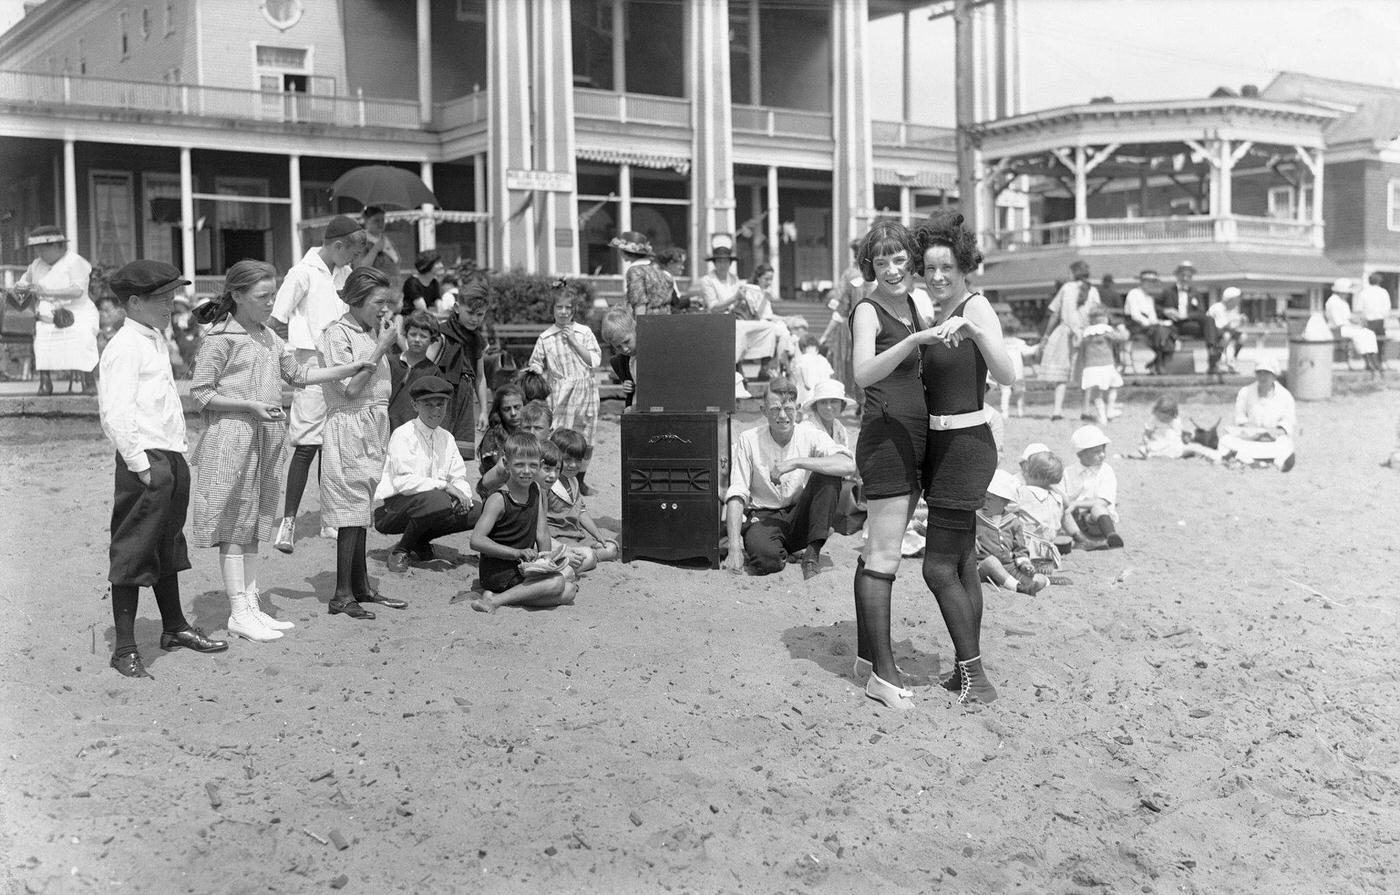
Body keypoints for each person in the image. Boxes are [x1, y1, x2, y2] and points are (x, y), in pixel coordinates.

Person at [189, 260, 371, 642]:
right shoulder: (220, 338)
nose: (271, 303)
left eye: (272, 295)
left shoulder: (269, 337)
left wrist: (348, 367)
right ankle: (238, 611)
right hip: (231, 439)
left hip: (265, 438)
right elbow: (202, 393)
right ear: (237, 295)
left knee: (255, 521)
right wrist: (249, 406)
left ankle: (251, 606)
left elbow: (300, 375)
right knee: (234, 525)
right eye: (262, 296)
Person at [98, 260, 227, 678]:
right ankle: (125, 648)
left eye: (172, 295)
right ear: (134, 302)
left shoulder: (153, 337)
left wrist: (173, 460)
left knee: (167, 543)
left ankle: (173, 627)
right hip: (145, 460)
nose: (170, 304)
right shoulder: (124, 346)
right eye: (162, 297)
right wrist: (141, 465)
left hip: (169, 454)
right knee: (134, 548)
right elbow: (115, 415)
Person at [914, 210, 1017, 705]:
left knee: (935, 569)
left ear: (964, 267)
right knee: (958, 562)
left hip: (965, 447)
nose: (937, 277)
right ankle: (964, 669)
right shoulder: (935, 311)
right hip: (943, 447)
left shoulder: (976, 307)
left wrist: (974, 333)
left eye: (946, 269)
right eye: (930, 269)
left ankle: (977, 676)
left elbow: (1009, 373)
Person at [846, 220, 937, 710]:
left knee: (879, 550)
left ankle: (866, 656)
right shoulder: (868, 309)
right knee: (883, 555)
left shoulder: (913, 306)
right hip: (885, 440)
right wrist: (912, 344)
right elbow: (863, 373)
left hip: (912, 438)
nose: (892, 268)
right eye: (881, 261)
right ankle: (881, 675)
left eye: (899, 259)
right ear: (870, 266)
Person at [271, 214, 366, 554]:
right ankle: (288, 522)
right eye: (352, 253)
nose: (354, 260)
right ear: (338, 245)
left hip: (341, 363)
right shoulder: (301, 273)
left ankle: (331, 516)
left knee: (336, 440)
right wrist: (289, 359)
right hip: (310, 365)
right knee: (308, 442)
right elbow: (274, 321)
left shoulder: (346, 273)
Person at [319, 267, 405, 619]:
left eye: (388, 301)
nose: (385, 309)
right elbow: (350, 389)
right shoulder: (336, 335)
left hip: (373, 424)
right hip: (349, 423)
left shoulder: (370, 332)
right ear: (356, 299)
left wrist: (385, 340)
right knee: (349, 511)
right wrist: (382, 345)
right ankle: (342, 593)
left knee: (361, 508)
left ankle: (361, 586)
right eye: (378, 301)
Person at [724, 377, 855, 580]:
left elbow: (847, 465)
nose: (782, 416)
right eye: (775, 409)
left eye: (789, 409)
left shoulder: (809, 434)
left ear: (798, 409)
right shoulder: (748, 439)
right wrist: (734, 549)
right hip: (764, 517)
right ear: (763, 410)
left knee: (828, 476)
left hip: (797, 514)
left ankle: (812, 554)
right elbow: (737, 492)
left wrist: (797, 462)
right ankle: (782, 549)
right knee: (766, 562)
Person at [375, 375, 481, 573]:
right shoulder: (404, 434)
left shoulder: (447, 438)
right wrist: (445, 487)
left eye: (440, 404)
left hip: (433, 502)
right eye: (428, 405)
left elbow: (458, 476)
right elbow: (403, 482)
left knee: (478, 511)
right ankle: (402, 549)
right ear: (415, 406)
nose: (435, 410)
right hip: (396, 510)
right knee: (437, 500)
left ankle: (420, 540)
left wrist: (462, 495)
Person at [468, 433, 578, 613]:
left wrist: (546, 560)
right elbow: (476, 541)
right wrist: (516, 553)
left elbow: (541, 533)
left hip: (524, 569)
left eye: (533, 465)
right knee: (558, 583)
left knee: (569, 590)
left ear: (540, 465)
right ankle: (495, 600)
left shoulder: (536, 490)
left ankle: (507, 596)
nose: (526, 471)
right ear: (506, 463)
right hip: (498, 573)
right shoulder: (499, 499)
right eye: (519, 464)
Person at [527, 279, 601, 494]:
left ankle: (580, 479)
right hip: (561, 392)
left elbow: (594, 360)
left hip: (586, 391)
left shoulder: (583, 332)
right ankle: (556, 478)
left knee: (586, 437)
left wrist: (575, 343)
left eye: (568, 308)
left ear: (574, 310)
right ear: (552, 309)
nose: (563, 312)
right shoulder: (546, 337)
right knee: (559, 434)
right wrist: (535, 370)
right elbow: (537, 362)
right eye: (559, 307)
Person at [17, 225, 99, 396]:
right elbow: (23, 282)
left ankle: (88, 381)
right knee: (41, 337)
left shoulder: (76, 262)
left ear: (57, 246)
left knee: (82, 336)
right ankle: (45, 382)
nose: (40, 253)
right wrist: (23, 287)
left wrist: (47, 292)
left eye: (43, 249)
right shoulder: (36, 265)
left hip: (77, 312)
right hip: (48, 314)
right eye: (37, 249)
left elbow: (77, 290)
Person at [701, 246, 785, 379]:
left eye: (726, 261)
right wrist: (735, 298)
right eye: (719, 261)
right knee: (738, 330)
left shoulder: (734, 278)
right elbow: (713, 308)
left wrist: (747, 299)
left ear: (730, 263)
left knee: (768, 327)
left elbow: (741, 301)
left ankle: (765, 368)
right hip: (718, 320)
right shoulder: (708, 280)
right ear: (715, 263)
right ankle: (734, 369)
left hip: (738, 317)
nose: (723, 265)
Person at [544, 428, 620, 573]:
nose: (573, 465)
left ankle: (581, 558)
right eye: (567, 459)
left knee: (611, 548)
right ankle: (570, 563)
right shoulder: (549, 484)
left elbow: (581, 512)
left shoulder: (574, 481)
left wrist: (598, 536)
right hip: (557, 538)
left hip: (576, 535)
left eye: (578, 460)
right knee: (589, 555)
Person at [434, 278, 493, 460]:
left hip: (465, 401)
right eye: (470, 313)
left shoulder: (478, 341)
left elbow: (480, 378)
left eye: (480, 314)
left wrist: (483, 410)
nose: (475, 319)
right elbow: (426, 369)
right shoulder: (441, 334)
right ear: (457, 308)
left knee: (458, 457)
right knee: (435, 452)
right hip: (441, 399)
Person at [1040, 260, 1100, 420]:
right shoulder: (1093, 290)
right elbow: (1097, 314)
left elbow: (1054, 313)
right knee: (1085, 373)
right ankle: (1085, 410)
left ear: (1074, 273)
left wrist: (1046, 334)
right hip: (1085, 334)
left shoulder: (1066, 288)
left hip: (1065, 332)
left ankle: (1057, 411)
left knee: (1062, 373)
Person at [976, 470, 1049, 596]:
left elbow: (1019, 549)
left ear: (1005, 502)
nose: (985, 503)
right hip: (981, 567)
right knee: (991, 562)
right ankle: (1018, 588)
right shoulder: (974, 518)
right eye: (983, 497)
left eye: (990, 499)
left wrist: (1024, 564)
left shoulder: (1013, 522)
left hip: (1008, 567)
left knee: (1039, 579)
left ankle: (1043, 582)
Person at [1219, 356, 1297, 471]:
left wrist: (1271, 433)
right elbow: (1240, 417)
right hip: (1249, 438)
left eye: (1266, 373)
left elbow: (1288, 422)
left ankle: (1251, 460)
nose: (1263, 377)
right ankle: (1259, 462)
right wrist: (1251, 430)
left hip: (1272, 440)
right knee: (1225, 440)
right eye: (1259, 373)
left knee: (1286, 444)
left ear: (1274, 375)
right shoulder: (1245, 392)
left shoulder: (1285, 396)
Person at [1062, 425, 1124, 550]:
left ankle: (1111, 535)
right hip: (1076, 521)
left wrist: (1077, 503)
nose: (1102, 455)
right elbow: (1064, 496)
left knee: (1098, 507)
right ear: (1081, 455)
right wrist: (1070, 503)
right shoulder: (1069, 472)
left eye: (1103, 450)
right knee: (1063, 510)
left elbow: (1103, 501)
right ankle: (1081, 540)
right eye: (1096, 452)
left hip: (1097, 522)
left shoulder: (1106, 471)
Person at [819, 239, 863, 403]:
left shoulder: (856, 274)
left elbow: (838, 300)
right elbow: (840, 302)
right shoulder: (851, 274)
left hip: (858, 323)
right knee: (850, 362)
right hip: (850, 324)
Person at [387, 310, 444, 431]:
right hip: (385, 427)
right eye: (413, 334)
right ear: (405, 334)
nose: (417, 339)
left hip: (414, 432)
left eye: (423, 336)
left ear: (432, 340)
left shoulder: (433, 372)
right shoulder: (390, 363)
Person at [1129, 395, 1221, 462]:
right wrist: (1146, 442)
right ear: (1156, 411)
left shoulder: (1175, 420)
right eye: (1161, 417)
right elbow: (1146, 434)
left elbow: (1179, 435)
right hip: (1158, 445)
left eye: (1167, 418)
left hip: (1175, 446)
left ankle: (1214, 455)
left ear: (1173, 414)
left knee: (1195, 447)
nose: (1164, 420)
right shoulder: (1154, 419)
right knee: (1143, 449)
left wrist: (1186, 437)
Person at [1078, 306, 1125, 424]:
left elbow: (1081, 349)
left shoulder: (1086, 333)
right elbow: (1121, 338)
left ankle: (1102, 416)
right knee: (1113, 386)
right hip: (1106, 365)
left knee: (1096, 393)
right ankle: (1110, 410)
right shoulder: (1106, 331)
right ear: (1104, 318)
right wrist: (1122, 329)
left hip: (1091, 366)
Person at [1124, 269, 1175, 374]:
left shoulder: (1149, 298)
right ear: (1142, 282)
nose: (1150, 284)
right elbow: (1135, 315)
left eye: (1152, 282)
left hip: (1150, 326)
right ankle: (1158, 363)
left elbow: (1153, 317)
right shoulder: (1133, 293)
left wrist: (1158, 322)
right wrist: (1150, 323)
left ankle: (1157, 362)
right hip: (1136, 325)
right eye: (1148, 281)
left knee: (1170, 331)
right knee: (1160, 332)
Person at [1325, 278, 1381, 372]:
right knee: (1361, 334)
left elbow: (1348, 318)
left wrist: (1356, 322)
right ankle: (1368, 361)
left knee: (1369, 333)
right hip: (1337, 330)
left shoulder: (1343, 302)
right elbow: (1339, 322)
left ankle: (1372, 359)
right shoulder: (1332, 302)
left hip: (1346, 328)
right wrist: (1353, 325)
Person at [612, 230, 671, 316]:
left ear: (623, 252)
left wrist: (639, 326)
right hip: (664, 320)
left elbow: (640, 302)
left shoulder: (636, 271)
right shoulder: (657, 268)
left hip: (647, 323)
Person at [477, 382, 526, 479]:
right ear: (499, 411)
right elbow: (489, 473)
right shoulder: (492, 437)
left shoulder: (531, 430)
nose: (513, 413)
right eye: (507, 409)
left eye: (517, 407)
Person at [1159, 260, 1207, 340]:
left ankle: (1212, 348)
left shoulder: (1195, 293)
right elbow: (1155, 307)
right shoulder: (1168, 291)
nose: (1185, 278)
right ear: (1177, 276)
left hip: (1189, 324)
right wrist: (1165, 311)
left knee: (1209, 322)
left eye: (1188, 276)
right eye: (1182, 275)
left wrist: (1186, 316)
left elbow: (1201, 313)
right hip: (1171, 324)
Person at [600, 307, 637, 409]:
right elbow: (630, 385)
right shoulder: (621, 362)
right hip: (635, 409)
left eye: (627, 341)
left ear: (635, 330)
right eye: (618, 346)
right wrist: (627, 386)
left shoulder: (650, 353)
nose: (625, 349)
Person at [1206, 286, 1246, 374]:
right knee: (1226, 336)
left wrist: (1240, 321)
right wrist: (1236, 320)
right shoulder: (1217, 308)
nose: (1238, 301)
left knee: (1242, 337)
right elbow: (1221, 325)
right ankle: (1216, 361)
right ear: (1230, 299)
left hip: (1226, 332)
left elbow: (1233, 326)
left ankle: (1232, 361)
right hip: (1213, 333)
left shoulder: (1232, 310)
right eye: (1236, 299)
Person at [355, 205, 400, 282]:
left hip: (392, 287)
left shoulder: (386, 239)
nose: (380, 224)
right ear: (367, 221)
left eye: (382, 220)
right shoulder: (362, 241)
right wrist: (375, 249)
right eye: (376, 220)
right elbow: (360, 268)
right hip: (374, 287)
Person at [791, 334, 834, 406]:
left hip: (806, 393)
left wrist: (806, 383)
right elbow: (830, 376)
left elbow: (800, 372)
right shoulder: (823, 359)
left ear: (803, 349)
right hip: (822, 393)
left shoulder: (802, 358)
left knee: (805, 411)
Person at [1356, 273, 1392, 351]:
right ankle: (1379, 361)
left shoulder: (1364, 292)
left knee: (1368, 345)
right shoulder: (1384, 292)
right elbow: (1387, 309)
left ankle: (1370, 362)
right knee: (1380, 344)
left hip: (1368, 322)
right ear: (1379, 281)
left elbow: (1359, 309)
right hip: (1380, 321)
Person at [656, 247, 698, 314]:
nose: (683, 267)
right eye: (680, 263)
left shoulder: (669, 278)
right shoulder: (663, 280)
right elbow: (672, 304)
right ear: (670, 264)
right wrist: (690, 300)